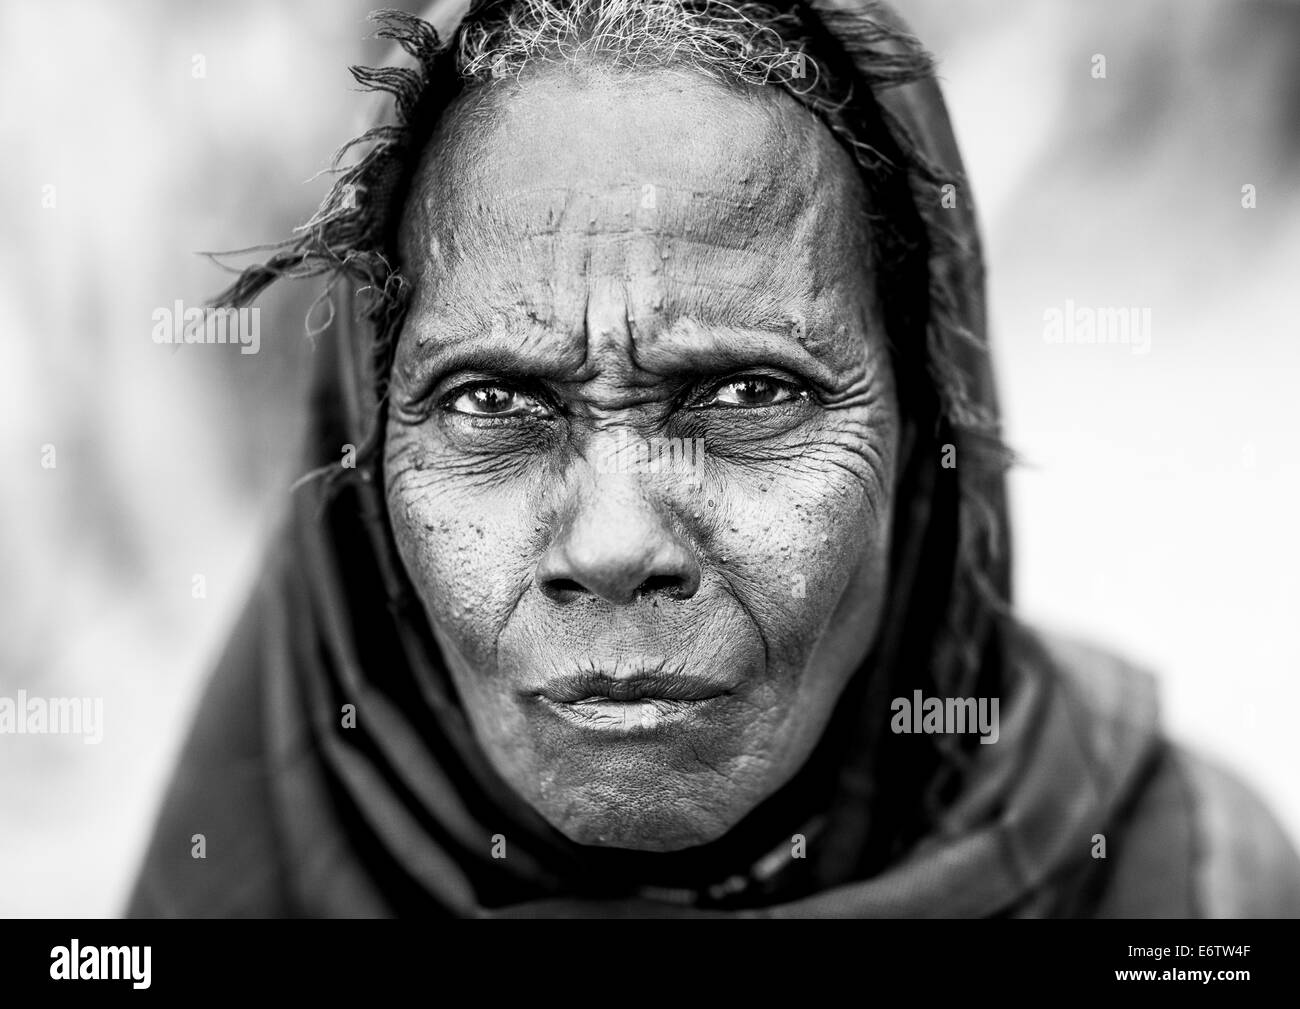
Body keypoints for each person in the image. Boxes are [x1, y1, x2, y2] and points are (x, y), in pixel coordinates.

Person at [127, 0, 1300, 917]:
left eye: (749, 392)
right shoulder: (247, 873)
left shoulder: (1182, 884)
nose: (614, 545)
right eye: (492, 399)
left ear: (922, 432)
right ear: (370, 460)